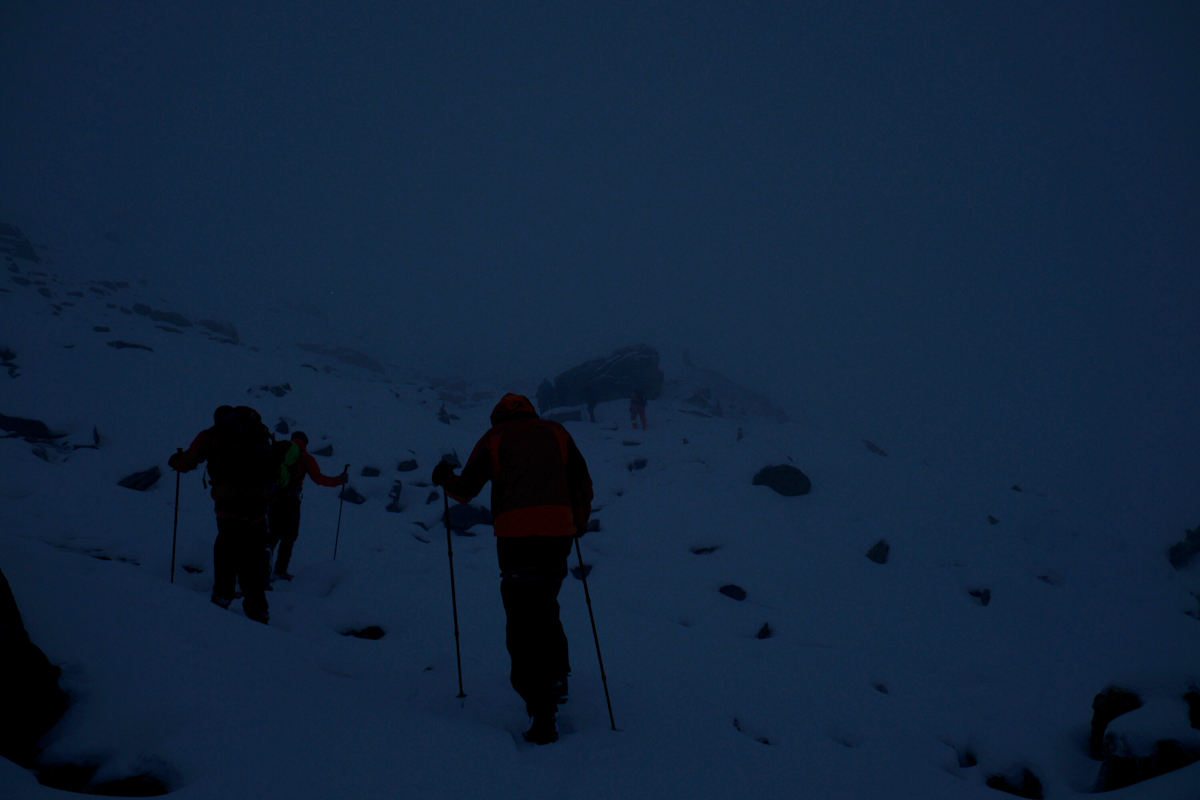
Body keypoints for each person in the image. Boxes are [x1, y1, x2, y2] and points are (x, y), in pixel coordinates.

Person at [432, 392, 593, 745]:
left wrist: (444, 477)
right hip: (557, 535)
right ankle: (558, 677)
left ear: (498, 417)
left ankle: (542, 710)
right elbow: (581, 481)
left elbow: (465, 489)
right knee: (546, 604)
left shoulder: (495, 438)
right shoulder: (557, 432)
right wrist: (576, 523)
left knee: (523, 620)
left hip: (518, 539)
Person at [168, 405, 275, 624]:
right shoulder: (257, 433)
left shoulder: (213, 435)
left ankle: (220, 603)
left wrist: (176, 461)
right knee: (253, 558)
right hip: (257, 508)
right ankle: (257, 611)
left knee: (226, 552)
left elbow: (188, 461)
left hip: (229, 508)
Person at [268, 431, 347, 580]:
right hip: (291, 502)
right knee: (289, 536)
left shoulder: (278, 454)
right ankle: (280, 570)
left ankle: (260, 570)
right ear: (305, 443)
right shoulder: (306, 458)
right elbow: (319, 479)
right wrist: (339, 480)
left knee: (272, 536)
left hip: (274, 500)